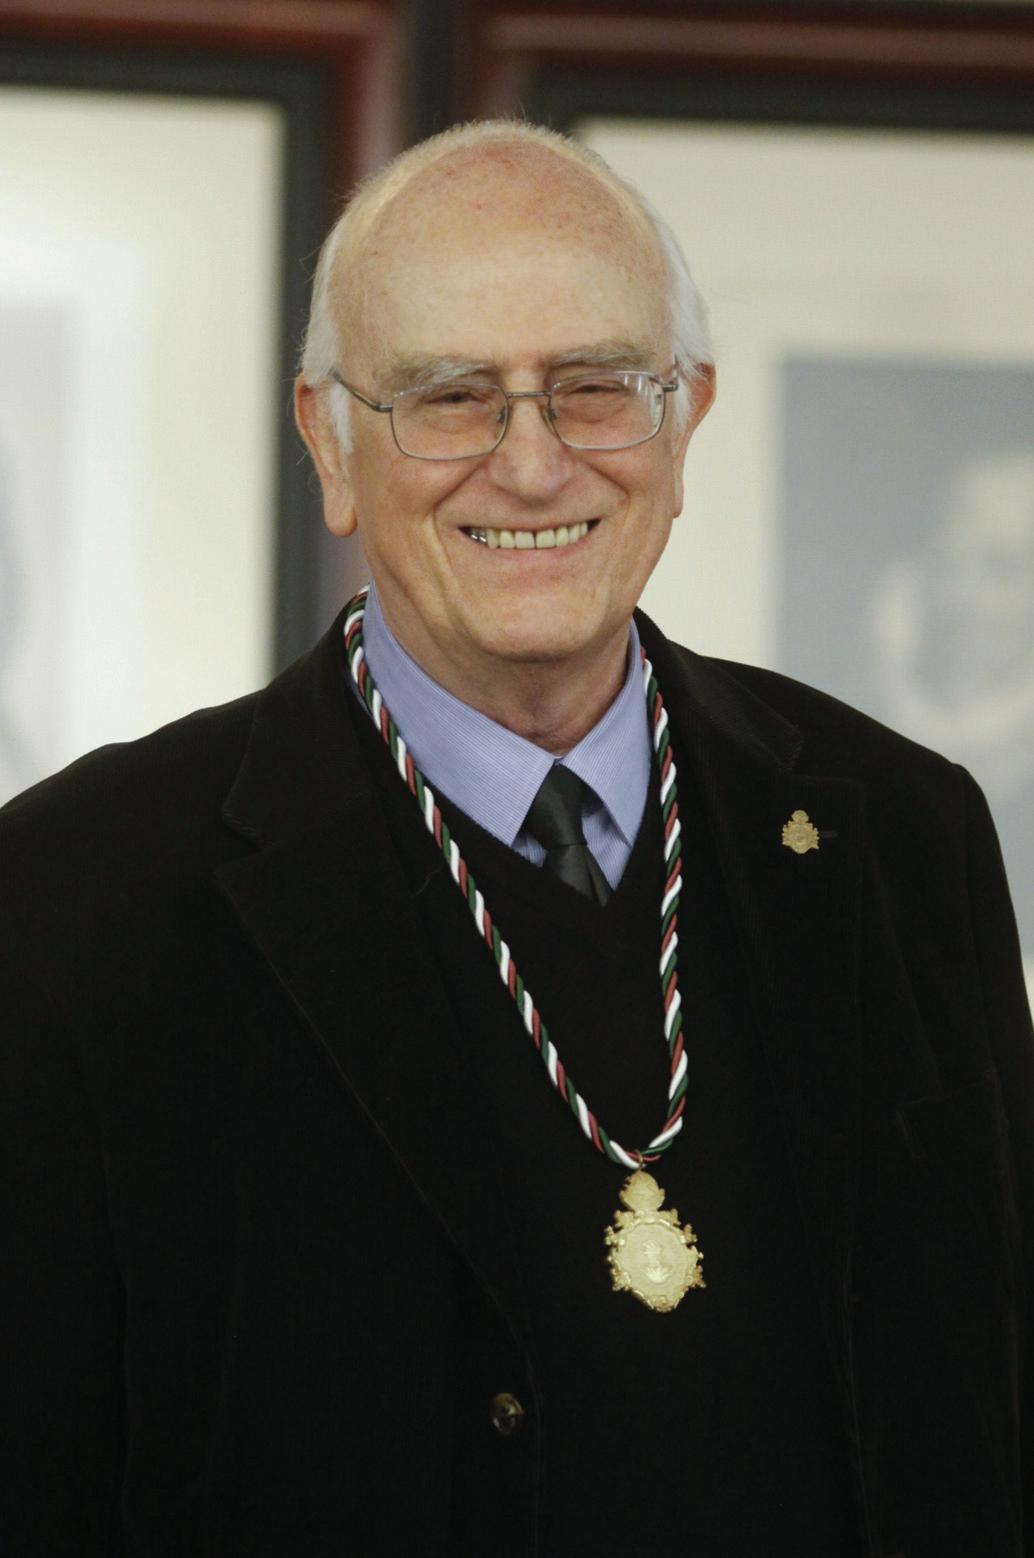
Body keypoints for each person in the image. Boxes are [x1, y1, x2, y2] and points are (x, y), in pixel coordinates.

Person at [1, 120, 1030, 1558]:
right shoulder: (75, 901)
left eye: (596, 388)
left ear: (686, 421)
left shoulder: (903, 834)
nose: (533, 466)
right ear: (329, 441)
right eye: (451, 396)